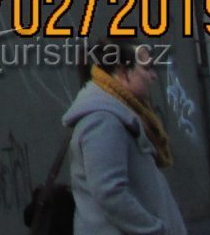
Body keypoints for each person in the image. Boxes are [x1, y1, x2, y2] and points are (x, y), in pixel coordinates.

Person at [61, 42, 187, 235]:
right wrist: (156, 230)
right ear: (122, 71)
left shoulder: (118, 114)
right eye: (146, 68)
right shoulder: (103, 120)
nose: (153, 76)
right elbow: (110, 192)